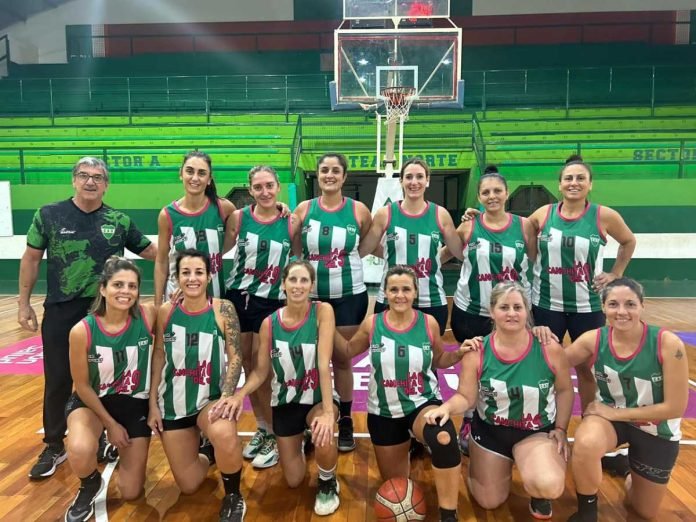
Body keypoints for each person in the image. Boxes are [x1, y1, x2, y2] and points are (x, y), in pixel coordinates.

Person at [18, 156, 156, 480]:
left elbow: (151, 252)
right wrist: (24, 304)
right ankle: (54, 444)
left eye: (97, 177)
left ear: (106, 184)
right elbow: (31, 258)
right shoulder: (49, 215)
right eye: (84, 175)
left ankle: (101, 435)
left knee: (106, 378)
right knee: (58, 379)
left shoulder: (119, 221)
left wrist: (186, 260)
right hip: (61, 309)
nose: (90, 181)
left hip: (105, 312)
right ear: (74, 180)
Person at [424, 281, 573, 521]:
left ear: (527, 311)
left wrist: (561, 428)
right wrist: (447, 408)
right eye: (504, 307)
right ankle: (488, 461)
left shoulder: (548, 347)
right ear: (492, 312)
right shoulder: (477, 351)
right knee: (488, 501)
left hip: (535, 432)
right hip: (491, 431)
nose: (511, 313)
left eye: (518, 307)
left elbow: (565, 390)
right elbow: (466, 397)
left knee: (548, 485)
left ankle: (537, 488)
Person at [529, 154, 636, 474]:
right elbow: (511, 228)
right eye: (568, 178)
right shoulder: (543, 214)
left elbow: (628, 241)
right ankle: (541, 427)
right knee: (543, 367)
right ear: (559, 184)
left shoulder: (604, 216)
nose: (573, 183)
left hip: (587, 307)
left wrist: (616, 273)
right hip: (546, 303)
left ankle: (592, 429)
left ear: (590, 184)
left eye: (580, 178)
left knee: (587, 370)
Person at [341, 265, 469, 522]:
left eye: (406, 289)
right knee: (397, 487)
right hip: (383, 412)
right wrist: (320, 326)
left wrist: (458, 353)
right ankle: (411, 447)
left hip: (421, 403)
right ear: (385, 293)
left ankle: (449, 514)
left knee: (443, 437)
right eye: (394, 290)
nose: (400, 295)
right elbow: (346, 351)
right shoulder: (372, 324)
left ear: (415, 292)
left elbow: (439, 359)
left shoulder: (428, 323)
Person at [213, 260, 341, 516]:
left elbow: (323, 364)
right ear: (283, 284)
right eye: (293, 279)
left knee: (324, 431)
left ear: (312, 286)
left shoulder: (322, 311)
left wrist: (328, 412)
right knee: (293, 479)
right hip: (285, 401)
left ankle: (328, 480)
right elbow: (261, 372)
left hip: (317, 398)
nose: (298, 285)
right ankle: (301, 439)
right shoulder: (269, 324)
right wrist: (239, 395)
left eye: (304, 280)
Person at [564, 278, 688, 522]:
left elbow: (675, 407)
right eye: (613, 304)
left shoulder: (668, 344)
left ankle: (626, 466)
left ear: (642, 306)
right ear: (603, 307)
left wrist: (616, 413)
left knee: (644, 511)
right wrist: (534, 335)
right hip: (610, 422)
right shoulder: (593, 339)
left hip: (655, 428)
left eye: (630, 304)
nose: (621, 311)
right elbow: (550, 364)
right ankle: (587, 512)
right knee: (586, 442)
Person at [443, 165, 536, 455]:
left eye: (497, 191)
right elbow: (446, 254)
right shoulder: (468, 226)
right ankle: (470, 420)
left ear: (507, 193)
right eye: (486, 192)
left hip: (512, 314)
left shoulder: (524, 226)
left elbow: (536, 260)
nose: (492, 196)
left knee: (510, 367)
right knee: (473, 368)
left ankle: (507, 421)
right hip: (471, 310)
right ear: (479, 196)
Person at [148, 249, 246, 522]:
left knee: (224, 433)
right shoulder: (165, 312)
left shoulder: (223, 309)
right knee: (189, 485)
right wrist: (152, 403)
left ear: (209, 276)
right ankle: (206, 452)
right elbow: (158, 355)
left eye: (199, 272)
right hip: (174, 403)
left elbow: (235, 355)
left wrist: (227, 395)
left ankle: (233, 495)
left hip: (209, 398)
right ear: (176, 278)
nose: (192, 278)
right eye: (186, 273)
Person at [64, 257, 156, 522]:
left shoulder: (148, 315)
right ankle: (89, 483)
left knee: (131, 491)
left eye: (132, 286)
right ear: (103, 289)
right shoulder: (82, 331)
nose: (125, 291)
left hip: (134, 404)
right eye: (118, 285)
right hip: (93, 402)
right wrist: (110, 425)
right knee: (79, 447)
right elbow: (82, 386)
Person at [294, 153, 373, 452]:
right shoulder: (304, 209)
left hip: (349, 296)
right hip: (312, 298)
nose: (330, 175)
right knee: (310, 361)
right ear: (318, 174)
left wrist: (342, 263)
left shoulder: (359, 210)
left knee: (341, 359)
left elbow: (365, 244)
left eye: (335, 170)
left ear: (344, 176)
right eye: (324, 170)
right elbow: (296, 248)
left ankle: (346, 419)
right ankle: (312, 418)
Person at [224, 165, 300, 469]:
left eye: (270, 185)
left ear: (278, 186)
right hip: (239, 298)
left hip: (272, 301)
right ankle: (263, 429)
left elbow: (297, 258)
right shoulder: (239, 218)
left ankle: (277, 436)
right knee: (246, 366)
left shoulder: (290, 221)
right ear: (250, 190)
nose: (265, 192)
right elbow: (216, 251)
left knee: (264, 372)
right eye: (258, 187)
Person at [358, 157, 463, 336]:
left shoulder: (440, 214)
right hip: (390, 298)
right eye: (408, 177)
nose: (414, 182)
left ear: (427, 180)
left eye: (420, 177)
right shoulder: (386, 213)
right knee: (387, 350)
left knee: (429, 352)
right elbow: (366, 248)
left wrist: (475, 222)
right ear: (401, 181)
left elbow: (459, 252)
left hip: (430, 299)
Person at [154, 151, 236, 305]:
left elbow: (251, 220)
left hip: (214, 296)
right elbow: (161, 261)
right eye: (190, 171)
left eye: (202, 173)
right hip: (178, 298)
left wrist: (276, 207)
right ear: (181, 174)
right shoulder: (167, 215)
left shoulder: (224, 208)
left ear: (209, 179)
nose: (195, 178)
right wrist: (158, 304)